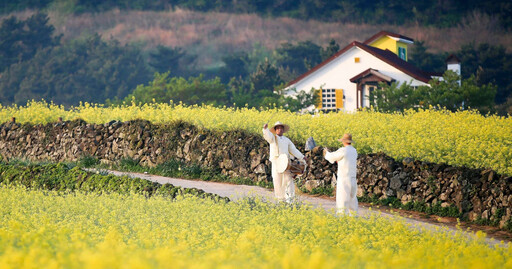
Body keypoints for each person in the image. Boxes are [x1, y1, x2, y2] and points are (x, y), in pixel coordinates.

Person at [262, 121, 306, 203]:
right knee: (277, 180)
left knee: (288, 180)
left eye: (281, 128)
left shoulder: (287, 140)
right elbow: (268, 136)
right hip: (276, 162)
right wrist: (265, 129)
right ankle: (280, 200)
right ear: (275, 130)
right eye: (278, 128)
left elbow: (293, 150)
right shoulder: (273, 138)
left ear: (283, 130)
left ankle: (290, 200)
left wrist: (302, 156)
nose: (280, 130)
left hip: (286, 162)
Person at [323, 133, 358, 215]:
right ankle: (353, 218)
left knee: (342, 200)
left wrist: (326, 153)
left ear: (343, 141)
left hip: (344, 178)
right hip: (353, 178)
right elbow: (346, 160)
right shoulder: (354, 151)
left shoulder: (343, 150)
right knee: (352, 199)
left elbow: (332, 156)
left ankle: (341, 218)